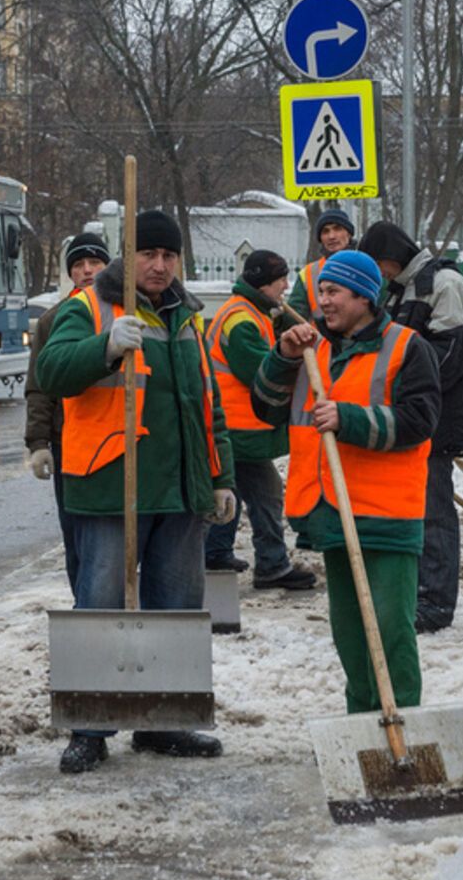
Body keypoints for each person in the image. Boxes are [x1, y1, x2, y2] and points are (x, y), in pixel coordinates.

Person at [36, 209, 236, 774]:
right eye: (149, 254)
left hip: (179, 490)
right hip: (110, 486)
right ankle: (89, 727)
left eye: (169, 255)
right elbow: (51, 371)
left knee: (176, 609)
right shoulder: (89, 307)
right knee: (99, 605)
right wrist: (104, 345)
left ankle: (164, 721)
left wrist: (221, 477)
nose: (159, 265)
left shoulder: (187, 317)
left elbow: (207, 405)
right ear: (129, 257)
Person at [252, 250, 441, 713]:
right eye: (321, 291)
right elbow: (266, 408)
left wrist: (349, 419)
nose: (323, 301)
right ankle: (362, 720)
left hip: (387, 514)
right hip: (332, 510)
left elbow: (421, 419)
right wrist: (282, 358)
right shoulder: (311, 348)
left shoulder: (407, 347)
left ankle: (402, 721)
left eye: (334, 291)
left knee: (390, 629)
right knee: (350, 632)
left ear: (364, 297)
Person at [359, 220, 463, 634]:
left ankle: (436, 601)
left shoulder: (445, 284)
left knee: (433, 511)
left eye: (377, 265)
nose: (378, 275)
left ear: (391, 258)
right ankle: (416, 592)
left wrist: (405, 386)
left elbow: (450, 356)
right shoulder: (401, 289)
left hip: (435, 418)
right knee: (411, 507)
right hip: (409, 416)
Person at [202, 249, 316, 589]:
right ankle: (272, 564)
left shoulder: (249, 312)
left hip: (235, 425)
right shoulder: (242, 321)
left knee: (232, 490)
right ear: (264, 283)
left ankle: (215, 553)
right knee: (266, 494)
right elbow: (261, 372)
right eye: (281, 279)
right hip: (240, 426)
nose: (286, 286)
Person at [24, 232, 110, 592]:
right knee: (75, 530)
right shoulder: (54, 319)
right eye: (78, 265)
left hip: (117, 438)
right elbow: (39, 386)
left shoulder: (124, 313)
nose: (87, 270)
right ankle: (84, 601)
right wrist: (38, 442)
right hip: (69, 442)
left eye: (95, 262)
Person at [286, 208, 355, 323]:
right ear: (320, 239)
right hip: (320, 335)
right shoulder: (308, 273)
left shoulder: (368, 267)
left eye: (337, 229)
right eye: (325, 231)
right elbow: (293, 317)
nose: (331, 236)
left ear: (349, 234)